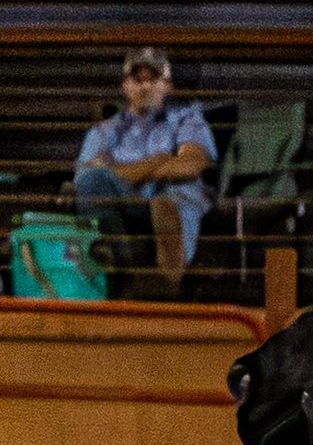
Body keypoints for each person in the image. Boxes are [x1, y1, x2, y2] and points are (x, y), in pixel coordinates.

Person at [74, 47, 215, 298]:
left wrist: (123, 170)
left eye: (154, 79)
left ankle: (172, 272)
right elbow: (88, 177)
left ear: (168, 86)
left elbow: (190, 164)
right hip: (126, 199)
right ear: (125, 86)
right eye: (137, 79)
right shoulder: (104, 132)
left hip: (168, 192)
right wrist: (160, 160)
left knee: (180, 189)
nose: (145, 86)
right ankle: (123, 266)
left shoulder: (186, 117)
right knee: (93, 183)